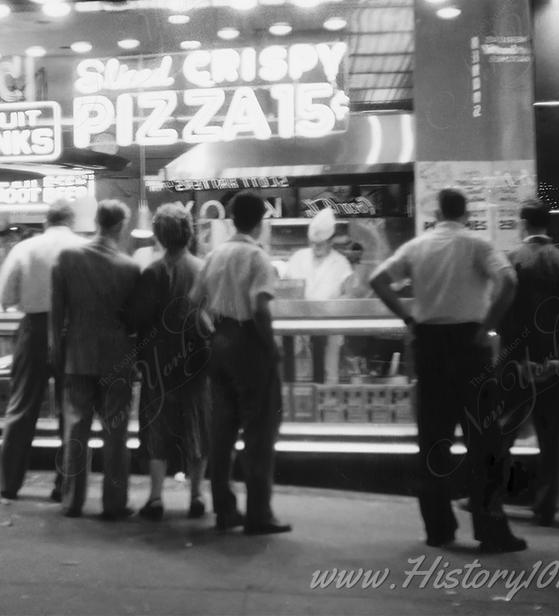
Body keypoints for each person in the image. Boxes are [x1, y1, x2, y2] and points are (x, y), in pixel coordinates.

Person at [369, 188, 525, 553]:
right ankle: (491, 530)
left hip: (430, 345)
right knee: (482, 441)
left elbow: (378, 280)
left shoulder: (417, 247)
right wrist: (488, 324)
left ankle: (439, 529)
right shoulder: (477, 245)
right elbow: (509, 282)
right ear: (465, 212)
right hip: (470, 347)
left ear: (438, 213)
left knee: (433, 441)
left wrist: (408, 317)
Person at [189, 191, 291, 535]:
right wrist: (270, 346)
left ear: (231, 219)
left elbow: (193, 304)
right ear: (261, 220)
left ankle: (224, 510)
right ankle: (259, 514)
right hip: (249, 343)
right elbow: (261, 307)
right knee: (259, 432)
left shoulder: (214, 256)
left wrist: (212, 331)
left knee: (222, 431)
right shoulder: (257, 258)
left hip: (219, 342)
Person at [497, 198, 559, 526]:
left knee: (502, 432)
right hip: (556, 370)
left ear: (523, 223)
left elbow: (504, 315)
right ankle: (545, 507)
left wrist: (518, 356)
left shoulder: (511, 261)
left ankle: (488, 496)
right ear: (547, 224)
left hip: (518, 368)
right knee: (551, 440)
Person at [50, 200, 141, 519]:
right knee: (115, 433)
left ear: (97, 221)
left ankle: (72, 500)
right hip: (117, 359)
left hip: (78, 355)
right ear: (121, 226)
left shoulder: (68, 258)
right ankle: (114, 503)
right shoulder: (130, 268)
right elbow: (135, 321)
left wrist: (58, 354)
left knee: (75, 429)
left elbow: (57, 314)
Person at [0, 199, 87, 502]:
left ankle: (10, 485)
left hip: (33, 330)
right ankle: (66, 486)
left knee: (21, 408)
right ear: (71, 221)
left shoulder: (25, 248)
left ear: (46, 221)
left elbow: (4, 295)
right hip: (73, 331)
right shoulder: (83, 247)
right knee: (70, 412)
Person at [129, 203, 211, 521]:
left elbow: (139, 318)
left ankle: (155, 497)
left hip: (159, 361)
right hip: (196, 360)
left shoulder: (152, 271)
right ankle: (196, 496)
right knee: (195, 426)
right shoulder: (202, 268)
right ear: (188, 232)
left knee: (156, 428)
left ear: (159, 235)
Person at [284, 209, 354, 383]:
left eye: (321, 244)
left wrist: (329, 307)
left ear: (331, 241)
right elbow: (285, 288)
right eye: (313, 243)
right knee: (299, 377)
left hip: (330, 328)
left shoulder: (341, 263)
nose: (316, 247)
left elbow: (350, 295)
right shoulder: (297, 258)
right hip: (298, 329)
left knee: (327, 374)